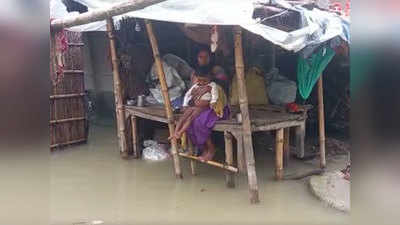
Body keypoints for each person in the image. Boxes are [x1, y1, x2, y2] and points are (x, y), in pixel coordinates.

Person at [171, 68, 218, 143]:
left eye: (205, 80)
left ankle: (180, 132)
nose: (202, 82)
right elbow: (187, 95)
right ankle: (175, 132)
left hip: (202, 107)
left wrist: (213, 102)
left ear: (210, 78)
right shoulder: (195, 85)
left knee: (191, 118)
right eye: (199, 80)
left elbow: (215, 94)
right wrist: (185, 105)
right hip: (193, 105)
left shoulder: (212, 85)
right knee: (183, 117)